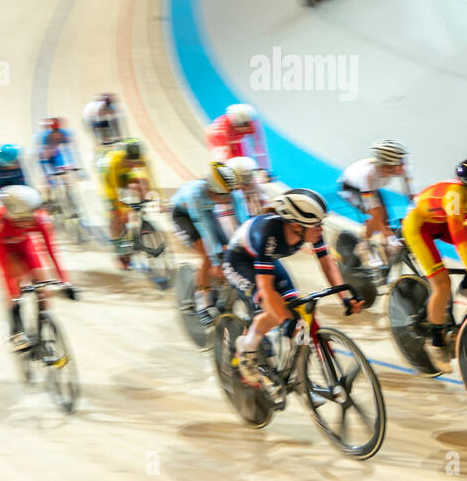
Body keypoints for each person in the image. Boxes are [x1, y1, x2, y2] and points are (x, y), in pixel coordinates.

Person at [225, 188, 362, 385]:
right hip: (240, 262)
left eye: (321, 223)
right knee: (276, 311)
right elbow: (265, 289)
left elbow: (327, 264)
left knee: (296, 310)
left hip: (267, 260)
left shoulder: (310, 229)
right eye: (316, 225)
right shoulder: (269, 232)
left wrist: (345, 297)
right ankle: (247, 346)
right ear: (296, 225)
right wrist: (284, 319)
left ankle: (299, 380)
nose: (320, 230)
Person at [401, 156, 467, 373]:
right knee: (442, 285)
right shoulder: (455, 197)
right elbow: (460, 243)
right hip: (420, 228)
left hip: (442, 221)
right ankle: (436, 343)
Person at [0, 185, 75, 352]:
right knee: (16, 277)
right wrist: (14, 293)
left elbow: (51, 251)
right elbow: (5, 268)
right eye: (27, 219)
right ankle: (16, 329)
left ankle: (44, 326)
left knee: (42, 283)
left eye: (33, 216)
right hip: (2, 250)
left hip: (23, 244)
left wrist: (65, 282)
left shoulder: (39, 219)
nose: (32, 221)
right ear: (15, 216)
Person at [169, 161, 241, 320]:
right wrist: (215, 261)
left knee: (228, 244)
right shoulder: (195, 195)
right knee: (207, 255)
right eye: (221, 195)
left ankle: (215, 284)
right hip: (184, 216)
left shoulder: (228, 191)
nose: (225, 199)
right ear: (210, 189)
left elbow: (242, 220)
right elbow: (205, 229)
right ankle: (203, 302)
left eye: (227, 195)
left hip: (207, 212)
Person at [338, 140, 414, 267]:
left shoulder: (404, 168)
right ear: (386, 165)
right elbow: (374, 209)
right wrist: (390, 237)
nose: (403, 166)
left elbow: (411, 195)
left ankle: (383, 246)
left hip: (372, 188)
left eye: (402, 160)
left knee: (385, 219)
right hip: (351, 189)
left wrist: (412, 210)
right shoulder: (368, 174)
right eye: (399, 163)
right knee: (378, 216)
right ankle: (364, 245)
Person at [98, 137, 158, 251]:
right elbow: (114, 189)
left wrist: (155, 198)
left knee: (141, 183)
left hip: (124, 174)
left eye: (134, 162)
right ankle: (117, 244)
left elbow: (150, 177)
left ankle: (140, 215)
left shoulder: (141, 157)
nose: (132, 164)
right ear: (123, 155)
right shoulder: (114, 161)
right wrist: (120, 209)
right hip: (109, 180)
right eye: (129, 161)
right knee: (115, 212)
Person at [206, 103, 270, 174]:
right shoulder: (221, 129)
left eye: (248, 124)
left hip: (233, 137)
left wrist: (263, 169)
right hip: (218, 139)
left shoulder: (252, 124)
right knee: (226, 168)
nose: (248, 128)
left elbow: (259, 146)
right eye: (245, 125)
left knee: (244, 165)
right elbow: (222, 154)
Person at [35, 117, 83, 194]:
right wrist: (47, 177)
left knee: (64, 175)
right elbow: (43, 157)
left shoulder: (64, 133)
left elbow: (71, 150)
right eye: (53, 134)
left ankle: (68, 190)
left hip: (56, 154)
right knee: (49, 180)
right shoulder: (44, 137)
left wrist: (72, 165)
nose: (56, 136)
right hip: (46, 157)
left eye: (57, 132)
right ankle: (49, 194)